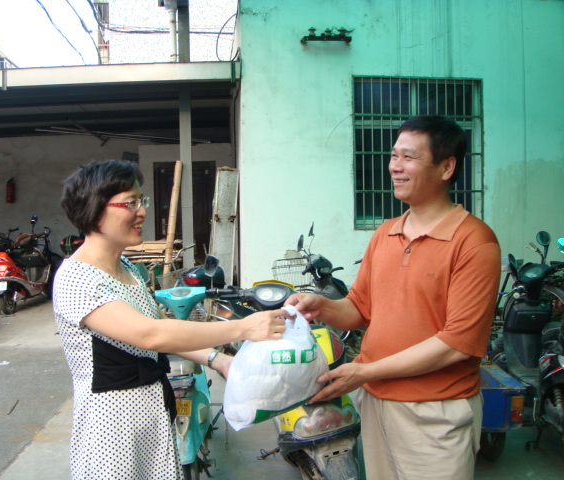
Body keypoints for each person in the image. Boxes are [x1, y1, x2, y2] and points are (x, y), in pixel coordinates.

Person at [286, 115, 501, 479]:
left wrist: (365, 371)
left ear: (447, 166)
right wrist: (322, 306)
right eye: (393, 156)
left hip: (435, 412)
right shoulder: (386, 233)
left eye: (409, 158)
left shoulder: (474, 242)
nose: (395, 167)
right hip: (376, 403)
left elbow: (456, 345)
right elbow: (359, 308)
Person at [53, 159, 286, 480]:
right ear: (95, 209)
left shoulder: (130, 269)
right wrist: (244, 327)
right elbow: (150, 335)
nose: (142, 211)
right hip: (111, 428)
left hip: (152, 414)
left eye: (142, 200)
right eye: (130, 202)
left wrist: (217, 361)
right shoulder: (77, 279)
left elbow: (163, 333)